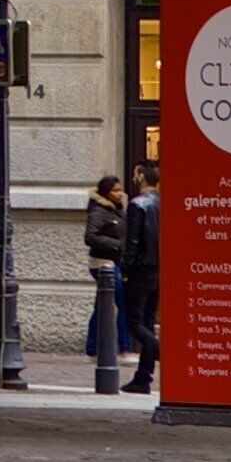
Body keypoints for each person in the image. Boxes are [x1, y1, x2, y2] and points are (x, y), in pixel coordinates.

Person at [121, 162, 163, 397]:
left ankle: (157, 349)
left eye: (136, 173)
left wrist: (125, 268)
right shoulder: (161, 203)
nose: (134, 176)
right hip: (157, 269)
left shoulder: (138, 205)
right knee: (146, 322)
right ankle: (143, 377)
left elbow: (133, 240)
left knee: (134, 322)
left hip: (140, 269)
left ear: (142, 177)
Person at [83, 173, 126, 378]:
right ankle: (123, 347)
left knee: (102, 305)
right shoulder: (100, 210)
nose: (120, 194)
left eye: (120, 190)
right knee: (120, 301)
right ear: (106, 192)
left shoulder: (116, 209)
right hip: (103, 263)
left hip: (113, 261)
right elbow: (90, 237)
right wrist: (117, 245)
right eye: (116, 190)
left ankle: (92, 348)